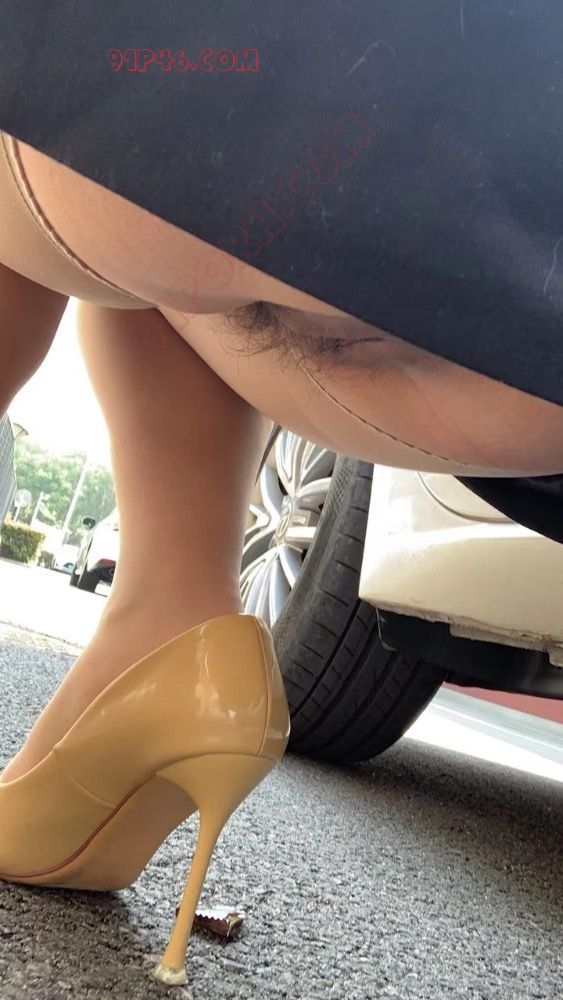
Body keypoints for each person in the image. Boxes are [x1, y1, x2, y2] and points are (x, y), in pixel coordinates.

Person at [2, 1, 563, 986]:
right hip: (524, 372)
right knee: (178, 259)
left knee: (70, 141)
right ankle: (164, 622)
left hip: (273, 158)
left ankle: (175, 609)